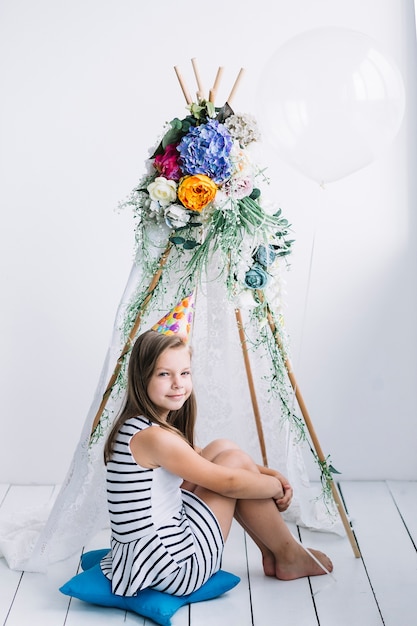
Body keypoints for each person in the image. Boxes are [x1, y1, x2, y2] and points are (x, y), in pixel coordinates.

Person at [101, 328, 333, 597]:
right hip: (174, 568)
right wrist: (276, 487)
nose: (178, 383)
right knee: (231, 465)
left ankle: (274, 553)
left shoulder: (138, 426)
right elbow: (230, 482)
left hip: (144, 557)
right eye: (164, 374)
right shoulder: (155, 438)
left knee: (223, 448)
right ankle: (288, 553)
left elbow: (199, 455)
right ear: (141, 379)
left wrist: (269, 473)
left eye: (185, 373)